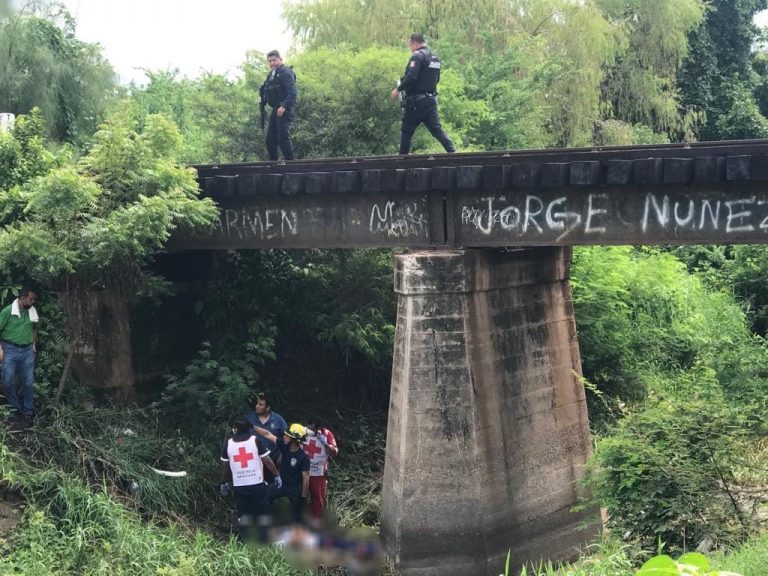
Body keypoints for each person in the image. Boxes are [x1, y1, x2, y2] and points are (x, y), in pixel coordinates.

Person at [390, 33, 455, 155]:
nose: (410, 48)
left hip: (416, 103)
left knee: (406, 131)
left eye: (410, 45)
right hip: (431, 101)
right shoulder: (435, 57)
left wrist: (398, 89)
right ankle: (452, 152)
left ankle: (402, 160)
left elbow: (411, 77)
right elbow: (437, 79)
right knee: (436, 129)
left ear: (415, 43)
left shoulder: (417, 57)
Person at [220, 417, 281, 542]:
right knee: (262, 512)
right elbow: (267, 460)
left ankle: (245, 540)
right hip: (257, 484)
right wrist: (277, 475)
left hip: (239, 486)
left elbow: (224, 466)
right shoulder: (255, 440)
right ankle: (264, 539)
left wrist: (223, 482)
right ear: (249, 429)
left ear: (235, 429)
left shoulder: (228, 443)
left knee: (243, 513)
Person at [255, 422, 310, 525]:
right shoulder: (284, 447)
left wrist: (303, 496)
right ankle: (267, 523)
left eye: (287, 435)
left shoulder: (303, 457)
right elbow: (268, 434)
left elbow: (306, 478)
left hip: (295, 488)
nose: (284, 436)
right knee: (265, 496)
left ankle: (297, 534)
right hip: (282, 484)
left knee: (298, 514)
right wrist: (252, 426)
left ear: (294, 439)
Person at [0, 288, 39, 427]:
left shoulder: (31, 311)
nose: (32, 302)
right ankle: (15, 409)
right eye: (31, 299)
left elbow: (35, 328)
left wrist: (33, 344)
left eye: (33, 299)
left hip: (27, 351)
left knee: (28, 383)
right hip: (9, 350)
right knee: (8, 381)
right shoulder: (8, 311)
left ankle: (28, 412)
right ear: (22, 298)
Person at [260, 49, 297, 161]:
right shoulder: (271, 75)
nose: (272, 63)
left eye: (274, 60)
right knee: (270, 139)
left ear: (280, 59)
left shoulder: (285, 72)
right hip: (276, 108)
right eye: (270, 61)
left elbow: (292, 92)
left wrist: (284, 106)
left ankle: (290, 162)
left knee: (282, 136)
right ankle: (273, 163)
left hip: (285, 108)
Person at [244, 393, 288, 483]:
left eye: (260, 405)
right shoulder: (249, 418)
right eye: (257, 404)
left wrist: (282, 455)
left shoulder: (278, 420)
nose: (257, 406)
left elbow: (286, 439)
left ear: (268, 407)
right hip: (253, 461)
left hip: (273, 460)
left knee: (272, 488)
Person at [305, 419, 338, 520]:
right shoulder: (302, 431)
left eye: (312, 428)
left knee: (318, 499)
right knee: (300, 498)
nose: (309, 429)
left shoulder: (326, 434)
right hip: (303, 472)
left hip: (319, 473)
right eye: (307, 426)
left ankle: (317, 523)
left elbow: (334, 453)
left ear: (318, 427)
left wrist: (325, 443)